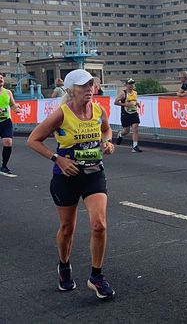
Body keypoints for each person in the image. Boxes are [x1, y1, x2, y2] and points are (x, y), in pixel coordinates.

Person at [26, 69, 116, 298]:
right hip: (66, 178)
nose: (89, 89)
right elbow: (33, 140)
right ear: (71, 90)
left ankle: (96, 277)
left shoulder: (98, 110)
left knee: (99, 225)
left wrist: (107, 142)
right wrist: (58, 159)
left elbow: (106, 129)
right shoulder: (61, 114)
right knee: (67, 229)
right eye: (83, 85)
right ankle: (64, 266)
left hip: (93, 174)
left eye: (91, 84)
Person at [0, 72, 21, 177]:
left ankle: (4, 166)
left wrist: (16, 109)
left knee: (8, 142)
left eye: (1, 78)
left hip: (6, 121)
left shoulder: (8, 92)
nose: (1, 79)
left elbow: (12, 104)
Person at [114, 78, 142, 153]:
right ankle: (120, 134)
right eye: (129, 84)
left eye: (132, 84)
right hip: (125, 114)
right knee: (126, 131)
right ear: (126, 85)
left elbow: (134, 101)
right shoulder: (123, 93)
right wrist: (126, 104)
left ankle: (135, 146)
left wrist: (137, 104)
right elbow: (115, 102)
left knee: (135, 128)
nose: (131, 85)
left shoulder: (135, 93)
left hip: (134, 113)